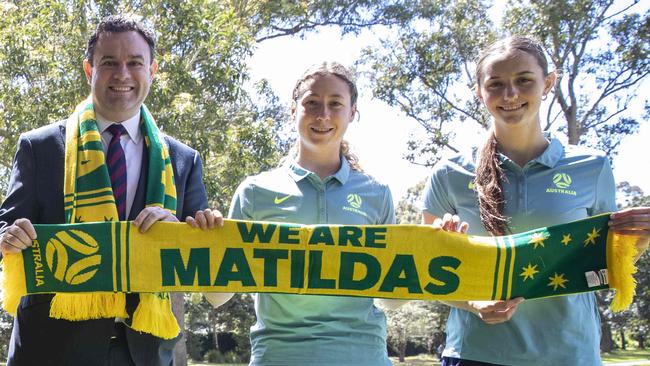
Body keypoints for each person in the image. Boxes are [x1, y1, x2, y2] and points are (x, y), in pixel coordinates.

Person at [421, 35, 650, 366]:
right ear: (479, 92)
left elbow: (601, 262)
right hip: (476, 355)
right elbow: (428, 272)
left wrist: (639, 241)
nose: (510, 94)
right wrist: (474, 302)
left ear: (548, 83)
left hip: (570, 354)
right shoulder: (449, 173)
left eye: (524, 80)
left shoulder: (593, 167)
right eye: (495, 84)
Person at [0, 14, 209, 366]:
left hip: (144, 353)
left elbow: (202, 257)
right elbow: (4, 228)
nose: (122, 74)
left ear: (152, 70)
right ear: (88, 69)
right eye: (109, 62)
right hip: (49, 349)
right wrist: (9, 238)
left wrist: (176, 229)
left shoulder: (182, 159)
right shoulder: (39, 147)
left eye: (134, 63)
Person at [193, 61, 407, 366]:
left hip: (363, 356)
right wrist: (208, 245)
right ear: (293, 110)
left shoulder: (377, 193)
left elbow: (390, 299)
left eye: (335, 104)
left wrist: (434, 248)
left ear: (352, 112)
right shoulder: (255, 192)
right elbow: (217, 297)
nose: (323, 115)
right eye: (312, 103)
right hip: (279, 356)